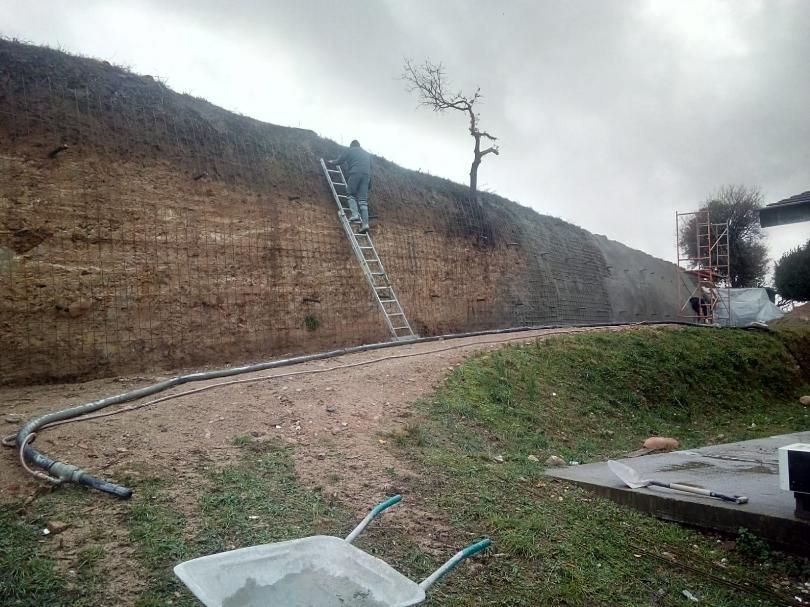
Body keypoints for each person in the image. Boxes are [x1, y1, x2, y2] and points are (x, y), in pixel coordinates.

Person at [329, 140, 372, 233]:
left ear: (352, 145)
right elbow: (370, 169)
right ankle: (365, 224)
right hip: (366, 177)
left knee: (350, 194)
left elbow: (341, 160)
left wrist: (332, 162)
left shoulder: (351, 150)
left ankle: (355, 214)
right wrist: (369, 183)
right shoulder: (367, 154)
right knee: (363, 201)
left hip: (355, 173)